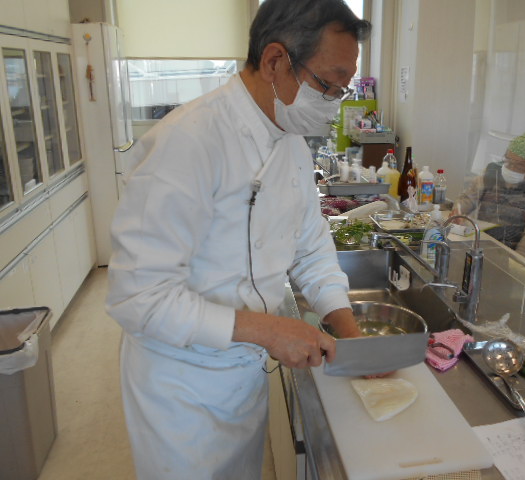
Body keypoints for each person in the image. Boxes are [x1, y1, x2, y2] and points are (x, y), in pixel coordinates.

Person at [105, 1, 371, 478]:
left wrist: (351, 336)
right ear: (275, 61)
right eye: (328, 85)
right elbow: (138, 297)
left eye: (342, 89)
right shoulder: (188, 142)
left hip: (243, 374)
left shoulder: (289, 140)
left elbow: (310, 247)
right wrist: (269, 330)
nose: (334, 102)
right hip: (181, 388)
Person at [450, 133, 525, 264]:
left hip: (521, 249)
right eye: (508, 161)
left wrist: (518, 261)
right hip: (485, 243)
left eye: (519, 165)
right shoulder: (492, 171)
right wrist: (458, 211)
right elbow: (468, 198)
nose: (511, 168)